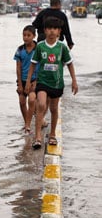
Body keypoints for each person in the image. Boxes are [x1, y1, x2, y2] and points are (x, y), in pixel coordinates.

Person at [26, 16, 78, 150]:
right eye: (49, 28)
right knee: (41, 105)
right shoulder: (40, 46)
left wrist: (74, 81)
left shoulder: (62, 47)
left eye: (55, 29)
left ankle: (53, 134)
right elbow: (33, 64)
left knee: (54, 109)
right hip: (42, 82)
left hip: (57, 84)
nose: (52, 31)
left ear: (59, 31)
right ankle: (38, 137)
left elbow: (70, 64)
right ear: (45, 30)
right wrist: (28, 81)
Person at [14, 25, 39, 134]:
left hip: (34, 80)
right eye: (24, 35)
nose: (26, 37)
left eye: (29, 35)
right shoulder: (20, 50)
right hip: (22, 80)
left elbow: (42, 66)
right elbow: (18, 68)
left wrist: (36, 81)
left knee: (32, 99)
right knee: (22, 101)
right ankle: (26, 123)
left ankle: (28, 123)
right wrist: (19, 83)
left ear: (34, 36)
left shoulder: (38, 49)